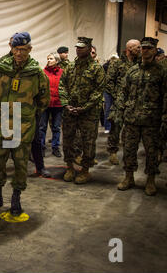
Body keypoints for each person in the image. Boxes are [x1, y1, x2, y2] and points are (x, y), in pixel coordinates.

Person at [0, 32, 50, 216]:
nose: (19, 53)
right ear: (11, 49)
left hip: (23, 127)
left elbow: (43, 100)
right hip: (1, 124)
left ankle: (16, 198)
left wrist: (28, 115)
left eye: (23, 50)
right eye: (16, 49)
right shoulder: (2, 69)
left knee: (20, 164)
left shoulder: (36, 74)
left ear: (30, 49)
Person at [115, 37, 167, 196]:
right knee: (129, 150)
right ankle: (129, 177)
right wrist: (119, 112)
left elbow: (165, 96)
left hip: (152, 119)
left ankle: (150, 180)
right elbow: (123, 92)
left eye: (149, 48)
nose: (145, 51)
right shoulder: (132, 70)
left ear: (154, 50)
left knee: (151, 152)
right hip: (131, 118)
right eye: (143, 48)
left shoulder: (161, 72)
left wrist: (164, 118)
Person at [59, 37, 105, 184]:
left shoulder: (96, 68)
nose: (78, 50)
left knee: (88, 142)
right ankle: (70, 167)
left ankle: (85, 170)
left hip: (88, 113)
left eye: (82, 47)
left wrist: (84, 107)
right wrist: (66, 104)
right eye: (77, 47)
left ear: (89, 48)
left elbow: (99, 90)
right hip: (70, 112)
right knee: (68, 140)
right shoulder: (70, 67)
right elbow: (62, 86)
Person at [106, 40, 141, 165]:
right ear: (129, 48)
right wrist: (117, 96)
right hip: (119, 101)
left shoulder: (140, 63)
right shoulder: (117, 63)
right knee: (115, 126)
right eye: (137, 47)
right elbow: (109, 81)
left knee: (130, 129)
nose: (140, 49)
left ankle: (128, 152)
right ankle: (113, 151)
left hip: (134, 102)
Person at [39, 53, 63, 158]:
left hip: (58, 104)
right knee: (42, 127)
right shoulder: (43, 72)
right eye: (48, 58)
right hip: (45, 104)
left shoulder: (62, 73)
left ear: (56, 61)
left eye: (51, 59)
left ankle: (55, 147)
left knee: (56, 127)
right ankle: (41, 147)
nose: (49, 60)